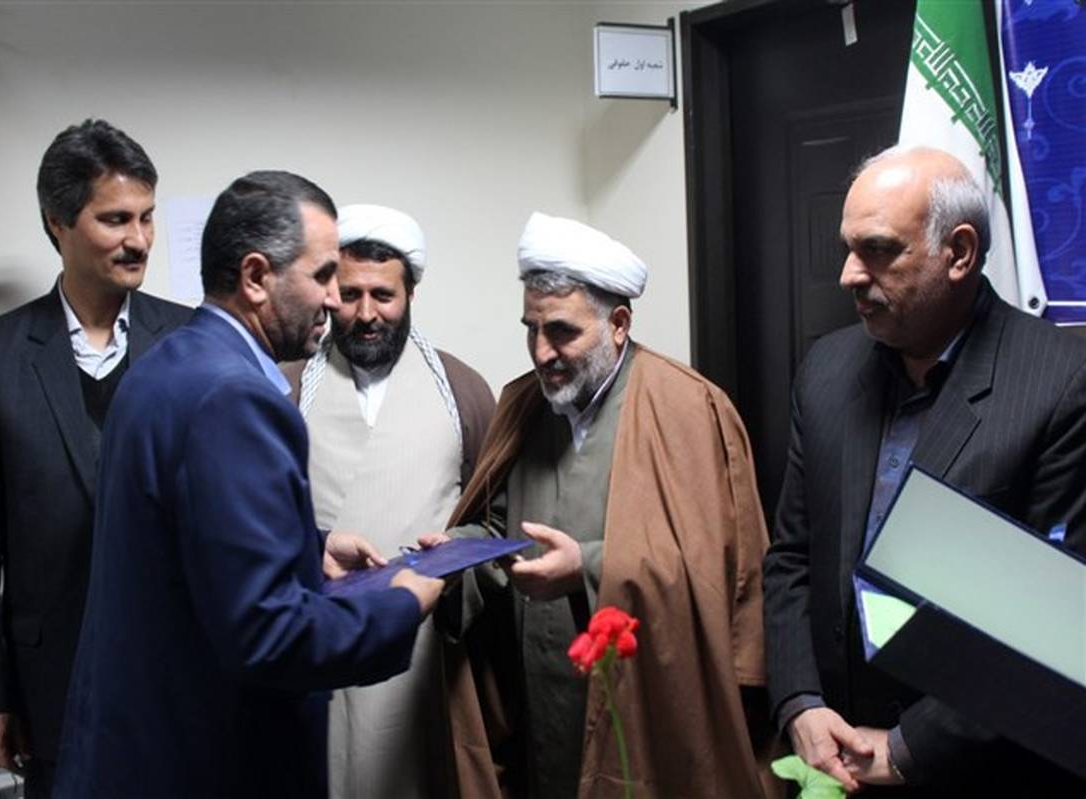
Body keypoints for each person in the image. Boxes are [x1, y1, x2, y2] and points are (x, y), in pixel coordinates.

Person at [54, 170, 445, 798]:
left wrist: (309, 545)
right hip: (208, 764)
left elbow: (184, 539)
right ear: (257, 277)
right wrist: (400, 604)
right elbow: (269, 636)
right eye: (323, 275)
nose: (336, 300)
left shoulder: (165, 365)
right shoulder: (237, 399)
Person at [763, 145, 1086, 797]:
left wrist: (908, 749)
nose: (849, 275)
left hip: (983, 773)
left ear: (959, 252)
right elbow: (792, 558)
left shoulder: (1061, 384)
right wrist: (800, 704)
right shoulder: (826, 371)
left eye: (878, 250)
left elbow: (1061, 626)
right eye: (848, 249)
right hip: (831, 757)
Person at [435, 212, 777, 798]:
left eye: (562, 332)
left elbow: (714, 574)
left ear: (618, 324)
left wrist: (587, 567)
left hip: (644, 700)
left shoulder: (688, 409)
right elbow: (498, 521)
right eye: (531, 329)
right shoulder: (525, 404)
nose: (542, 352)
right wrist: (453, 553)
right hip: (541, 703)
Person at [0, 119, 191, 797]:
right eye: (114, 219)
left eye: (146, 216)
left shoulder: (189, 338)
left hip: (182, 673)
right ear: (57, 221)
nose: (138, 239)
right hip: (53, 685)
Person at [281, 203, 494, 798]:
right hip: (318, 643)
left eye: (384, 295)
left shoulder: (463, 390)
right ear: (329, 293)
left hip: (428, 653)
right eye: (350, 295)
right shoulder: (286, 385)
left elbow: (489, 516)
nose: (367, 313)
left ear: (411, 295)